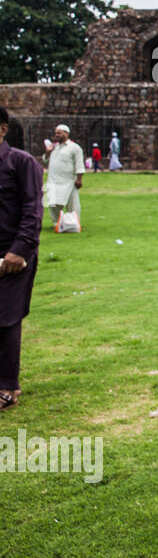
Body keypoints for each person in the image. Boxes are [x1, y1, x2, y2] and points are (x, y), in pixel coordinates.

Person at [0, 107, 42, 412]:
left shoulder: (20, 162)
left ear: (2, 129)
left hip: (12, 254)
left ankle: (7, 386)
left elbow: (31, 209)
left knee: (6, 318)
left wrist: (20, 249)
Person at [43, 124, 84, 229]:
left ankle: (74, 222)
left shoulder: (74, 148)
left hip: (69, 181)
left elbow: (79, 164)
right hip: (53, 180)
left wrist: (79, 179)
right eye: (56, 133)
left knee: (73, 204)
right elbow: (45, 160)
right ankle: (56, 223)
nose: (57, 135)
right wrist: (47, 153)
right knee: (53, 204)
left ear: (66, 133)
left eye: (59, 133)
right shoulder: (54, 147)